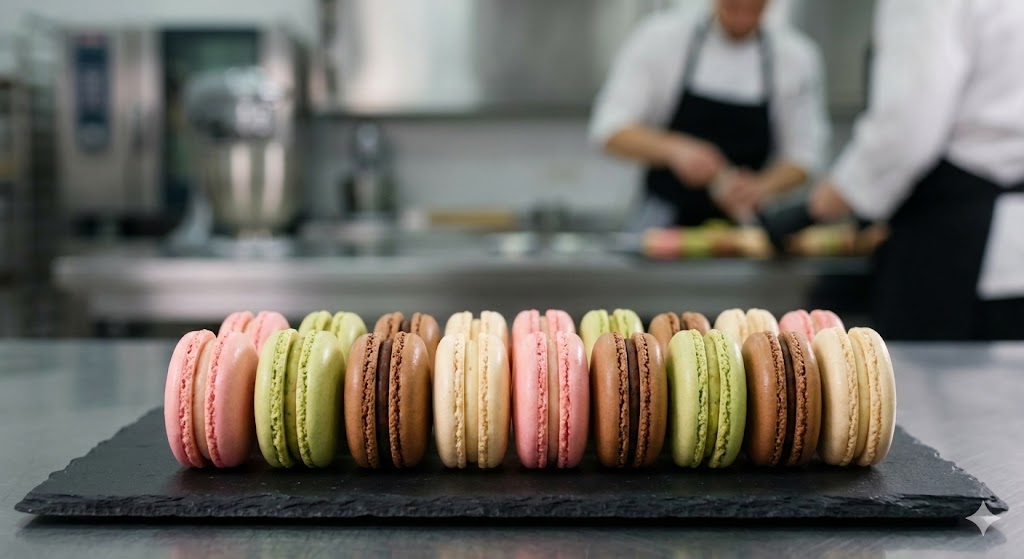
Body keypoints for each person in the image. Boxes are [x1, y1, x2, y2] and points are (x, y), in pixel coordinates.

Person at [809, 0, 1024, 340]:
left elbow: (905, 128)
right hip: (1007, 252)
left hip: (949, 243)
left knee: (926, 385)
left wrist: (825, 201)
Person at [589, 0, 829, 228]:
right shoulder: (661, 39)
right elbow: (609, 128)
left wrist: (761, 187)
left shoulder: (796, 58)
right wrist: (676, 150)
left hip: (746, 226)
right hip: (661, 221)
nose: (744, 7)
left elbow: (805, 156)